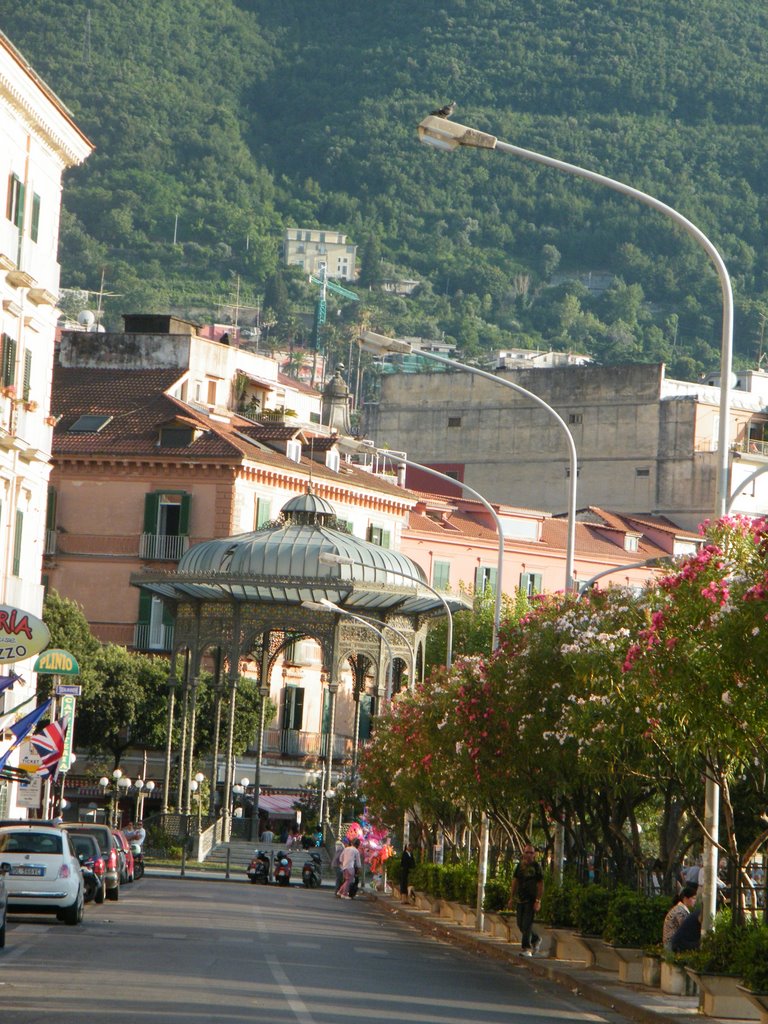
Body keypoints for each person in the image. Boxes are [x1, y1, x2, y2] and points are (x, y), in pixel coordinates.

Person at [508, 844, 544, 957]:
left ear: (534, 855)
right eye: (527, 852)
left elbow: (540, 884)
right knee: (520, 924)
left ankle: (526, 948)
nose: (529, 855)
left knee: (527, 924)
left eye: (531, 853)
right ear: (523, 853)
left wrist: (538, 900)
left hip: (531, 900)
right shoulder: (519, 866)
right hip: (520, 899)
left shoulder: (537, 867)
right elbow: (515, 882)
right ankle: (535, 938)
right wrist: (511, 898)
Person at [663, 883, 698, 949]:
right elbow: (686, 928)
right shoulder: (680, 911)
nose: (695, 901)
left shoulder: (680, 909)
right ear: (685, 898)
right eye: (693, 898)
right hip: (672, 944)